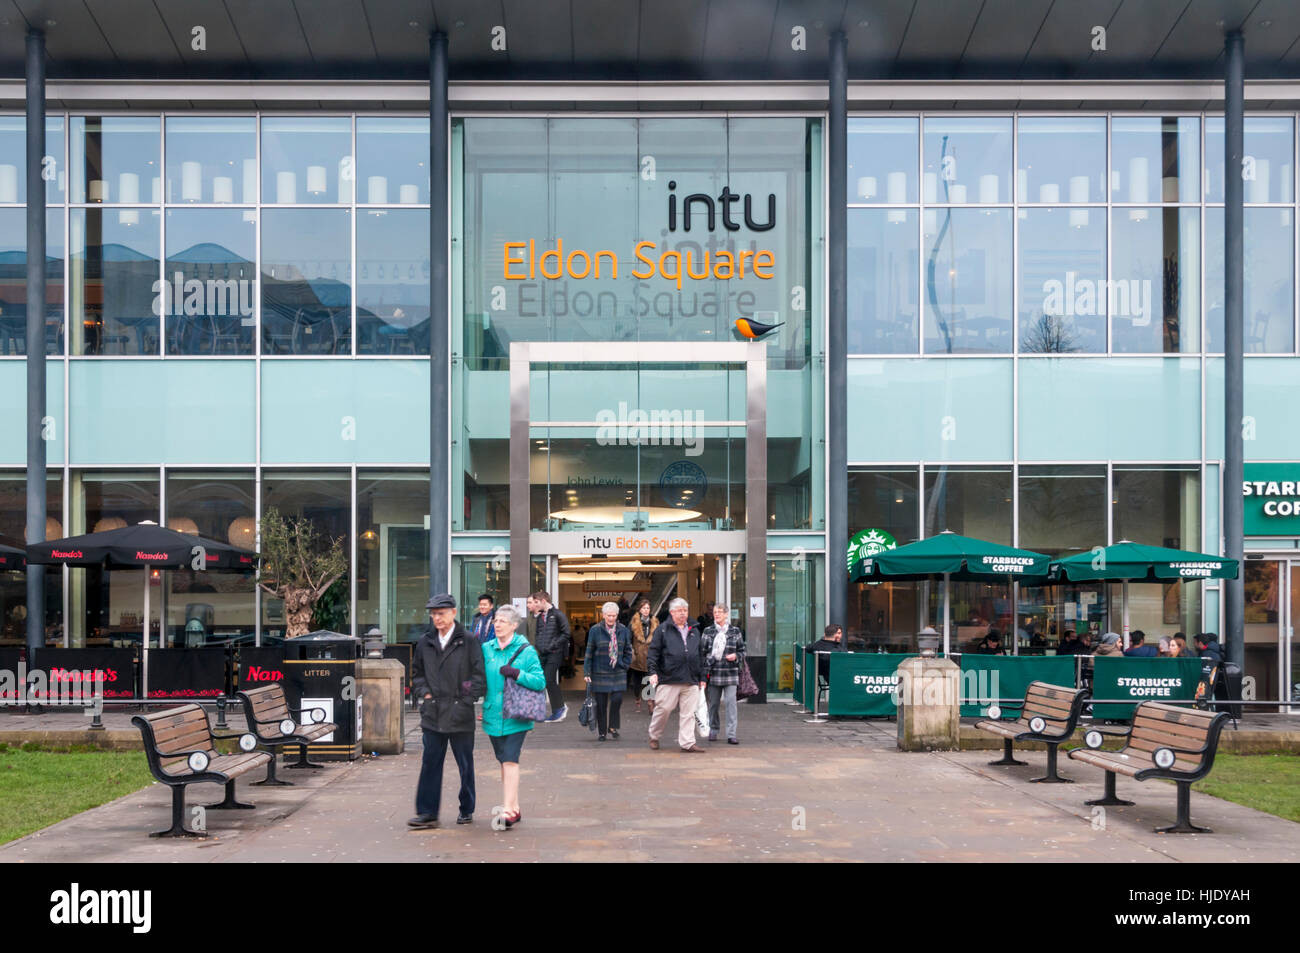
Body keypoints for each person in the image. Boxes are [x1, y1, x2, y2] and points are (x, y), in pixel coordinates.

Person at [409, 594, 486, 830]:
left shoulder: (469, 640)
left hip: (459, 712)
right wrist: (426, 694)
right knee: (430, 763)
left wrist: (464, 698)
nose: (436, 618)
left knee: (465, 764)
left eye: (441, 613)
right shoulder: (425, 641)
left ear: (453, 612)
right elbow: (417, 673)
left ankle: (467, 809)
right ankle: (427, 813)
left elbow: (478, 676)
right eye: (433, 614)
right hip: (433, 712)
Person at [480, 604, 544, 829]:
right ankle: (514, 808)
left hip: (517, 715)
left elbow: (540, 681)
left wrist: (518, 674)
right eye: (496, 620)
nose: (497, 624)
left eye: (503, 621)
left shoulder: (526, 651)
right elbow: (479, 678)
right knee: (503, 761)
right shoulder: (486, 649)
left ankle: (507, 811)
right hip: (492, 714)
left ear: (514, 626)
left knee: (510, 759)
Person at [646, 597, 706, 753]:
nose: (683, 614)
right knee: (663, 709)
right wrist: (652, 672)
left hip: (690, 678)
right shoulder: (663, 629)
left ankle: (687, 742)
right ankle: (654, 736)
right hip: (669, 678)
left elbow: (700, 654)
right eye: (679, 611)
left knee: (689, 713)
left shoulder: (695, 629)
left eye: (685, 610)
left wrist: (702, 677)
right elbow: (653, 652)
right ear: (672, 612)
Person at [584, 601, 633, 741]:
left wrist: (625, 664)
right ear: (603, 615)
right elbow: (589, 651)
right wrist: (587, 672)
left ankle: (613, 726)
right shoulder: (595, 630)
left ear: (617, 615)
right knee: (601, 704)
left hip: (618, 671)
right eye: (608, 615)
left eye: (613, 615)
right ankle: (602, 732)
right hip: (599, 671)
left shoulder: (623, 630)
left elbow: (629, 650)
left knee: (617, 700)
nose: (611, 618)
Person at [702, 602, 746, 745]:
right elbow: (702, 652)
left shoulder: (735, 631)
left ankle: (731, 734)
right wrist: (710, 659)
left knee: (730, 703)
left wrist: (736, 657)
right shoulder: (708, 631)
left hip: (731, 672)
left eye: (720, 611)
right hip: (714, 672)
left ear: (726, 614)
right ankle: (713, 729)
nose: (717, 614)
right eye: (715, 612)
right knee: (713, 704)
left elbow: (742, 650)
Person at [531, 590, 572, 722]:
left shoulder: (558, 614)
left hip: (555, 653)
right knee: (542, 680)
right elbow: (538, 633)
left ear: (544, 601)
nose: (535, 605)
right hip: (543, 653)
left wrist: (553, 645)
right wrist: (539, 645)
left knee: (548, 679)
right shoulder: (540, 617)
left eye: (536, 602)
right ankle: (554, 709)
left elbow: (566, 633)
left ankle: (559, 709)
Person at [628, 599, 654, 713]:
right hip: (637, 656)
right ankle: (638, 699)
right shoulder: (633, 623)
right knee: (637, 682)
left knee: (649, 679)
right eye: (644, 608)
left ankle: (649, 701)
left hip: (650, 655)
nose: (646, 610)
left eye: (648, 608)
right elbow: (628, 639)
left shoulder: (654, 622)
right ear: (639, 609)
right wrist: (631, 651)